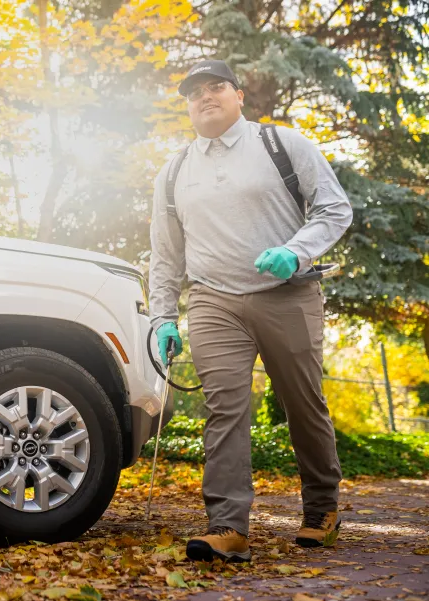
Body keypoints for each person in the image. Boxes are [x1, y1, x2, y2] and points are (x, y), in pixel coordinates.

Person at [148, 59, 354, 563]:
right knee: (224, 410)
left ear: (239, 95)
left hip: (288, 294)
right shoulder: (174, 170)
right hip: (214, 301)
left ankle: (322, 509)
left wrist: (297, 251)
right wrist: (161, 316)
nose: (205, 96)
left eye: (216, 86)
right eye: (194, 92)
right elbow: (166, 253)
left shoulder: (280, 144)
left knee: (302, 404)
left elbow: (335, 207)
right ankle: (228, 526)